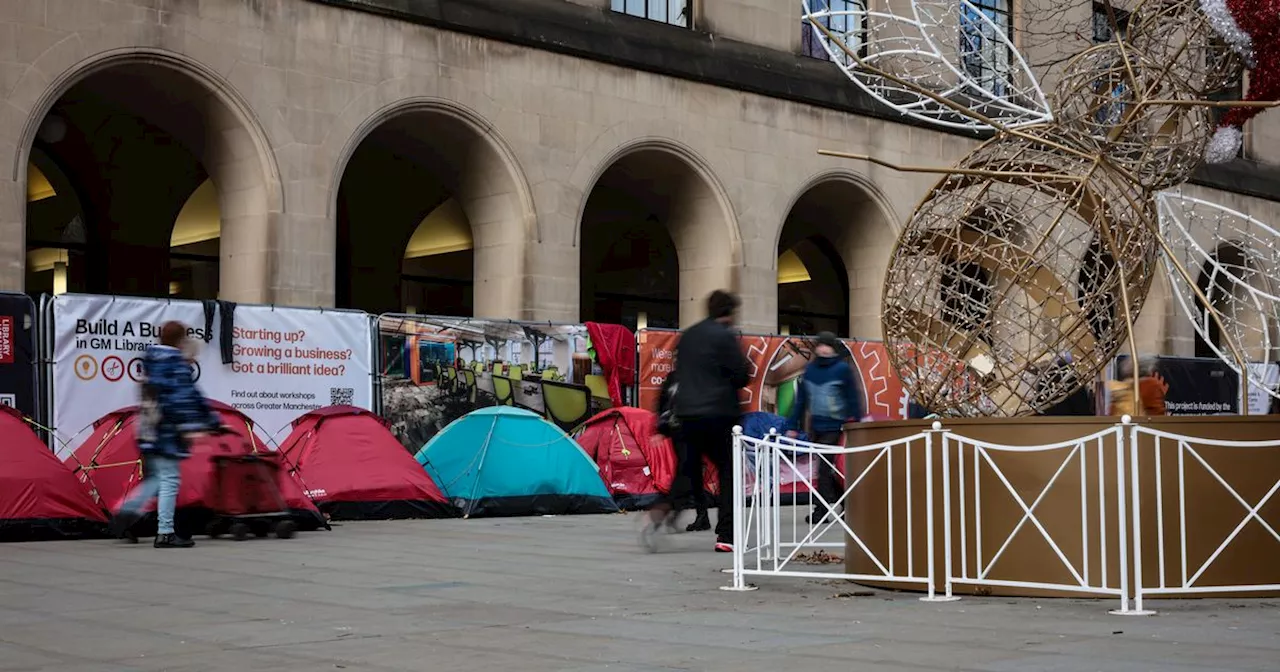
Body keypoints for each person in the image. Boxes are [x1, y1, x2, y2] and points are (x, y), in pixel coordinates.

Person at [111, 321, 223, 548]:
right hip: (167, 432)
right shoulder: (176, 366)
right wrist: (207, 422)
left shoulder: (152, 363)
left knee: (157, 478)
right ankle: (165, 532)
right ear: (181, 340)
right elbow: (185, 400)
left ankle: (128, 511)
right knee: (170, 479)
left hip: (146, 429)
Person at [667, 290, 751, 553]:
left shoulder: (688, 335)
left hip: (688, 413)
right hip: (718, 414)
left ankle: (663, 508)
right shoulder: (724, 336)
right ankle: (726, 534)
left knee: (688, 467)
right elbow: (741, 375)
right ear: (728, 313)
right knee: (728, 472)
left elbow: (679, 373)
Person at [785, 332, 863, 524]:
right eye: (820, 345)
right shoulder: (810, 370)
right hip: (816, 426)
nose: (823, 349)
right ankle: (848, 506)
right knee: (827, 469)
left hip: (835, 426)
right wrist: (792, 426)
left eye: (827, 345)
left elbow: (853, 397)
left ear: (833, 348)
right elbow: (801, 401)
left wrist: (857, 421)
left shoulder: (842, 370)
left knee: (823, 469)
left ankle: (821, 510)